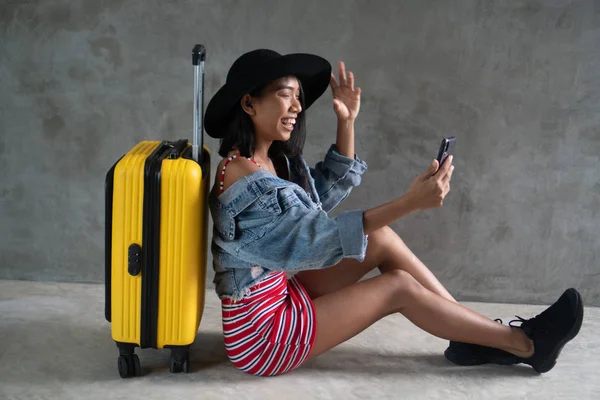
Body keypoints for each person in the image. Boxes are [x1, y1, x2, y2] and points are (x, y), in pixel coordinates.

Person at [204, 49, 584, 377]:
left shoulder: (265, 163)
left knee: (380, 238)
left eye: (299, 97)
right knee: (397, 287)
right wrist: (410, 203)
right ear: (249, 103)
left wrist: (347, 121)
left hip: (282, 297)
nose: (298, 107)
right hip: (262, 336)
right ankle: (525, 345)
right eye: (286, 95)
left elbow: (322, 194)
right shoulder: (245, 179)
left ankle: (474, 337)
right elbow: (318, 240)